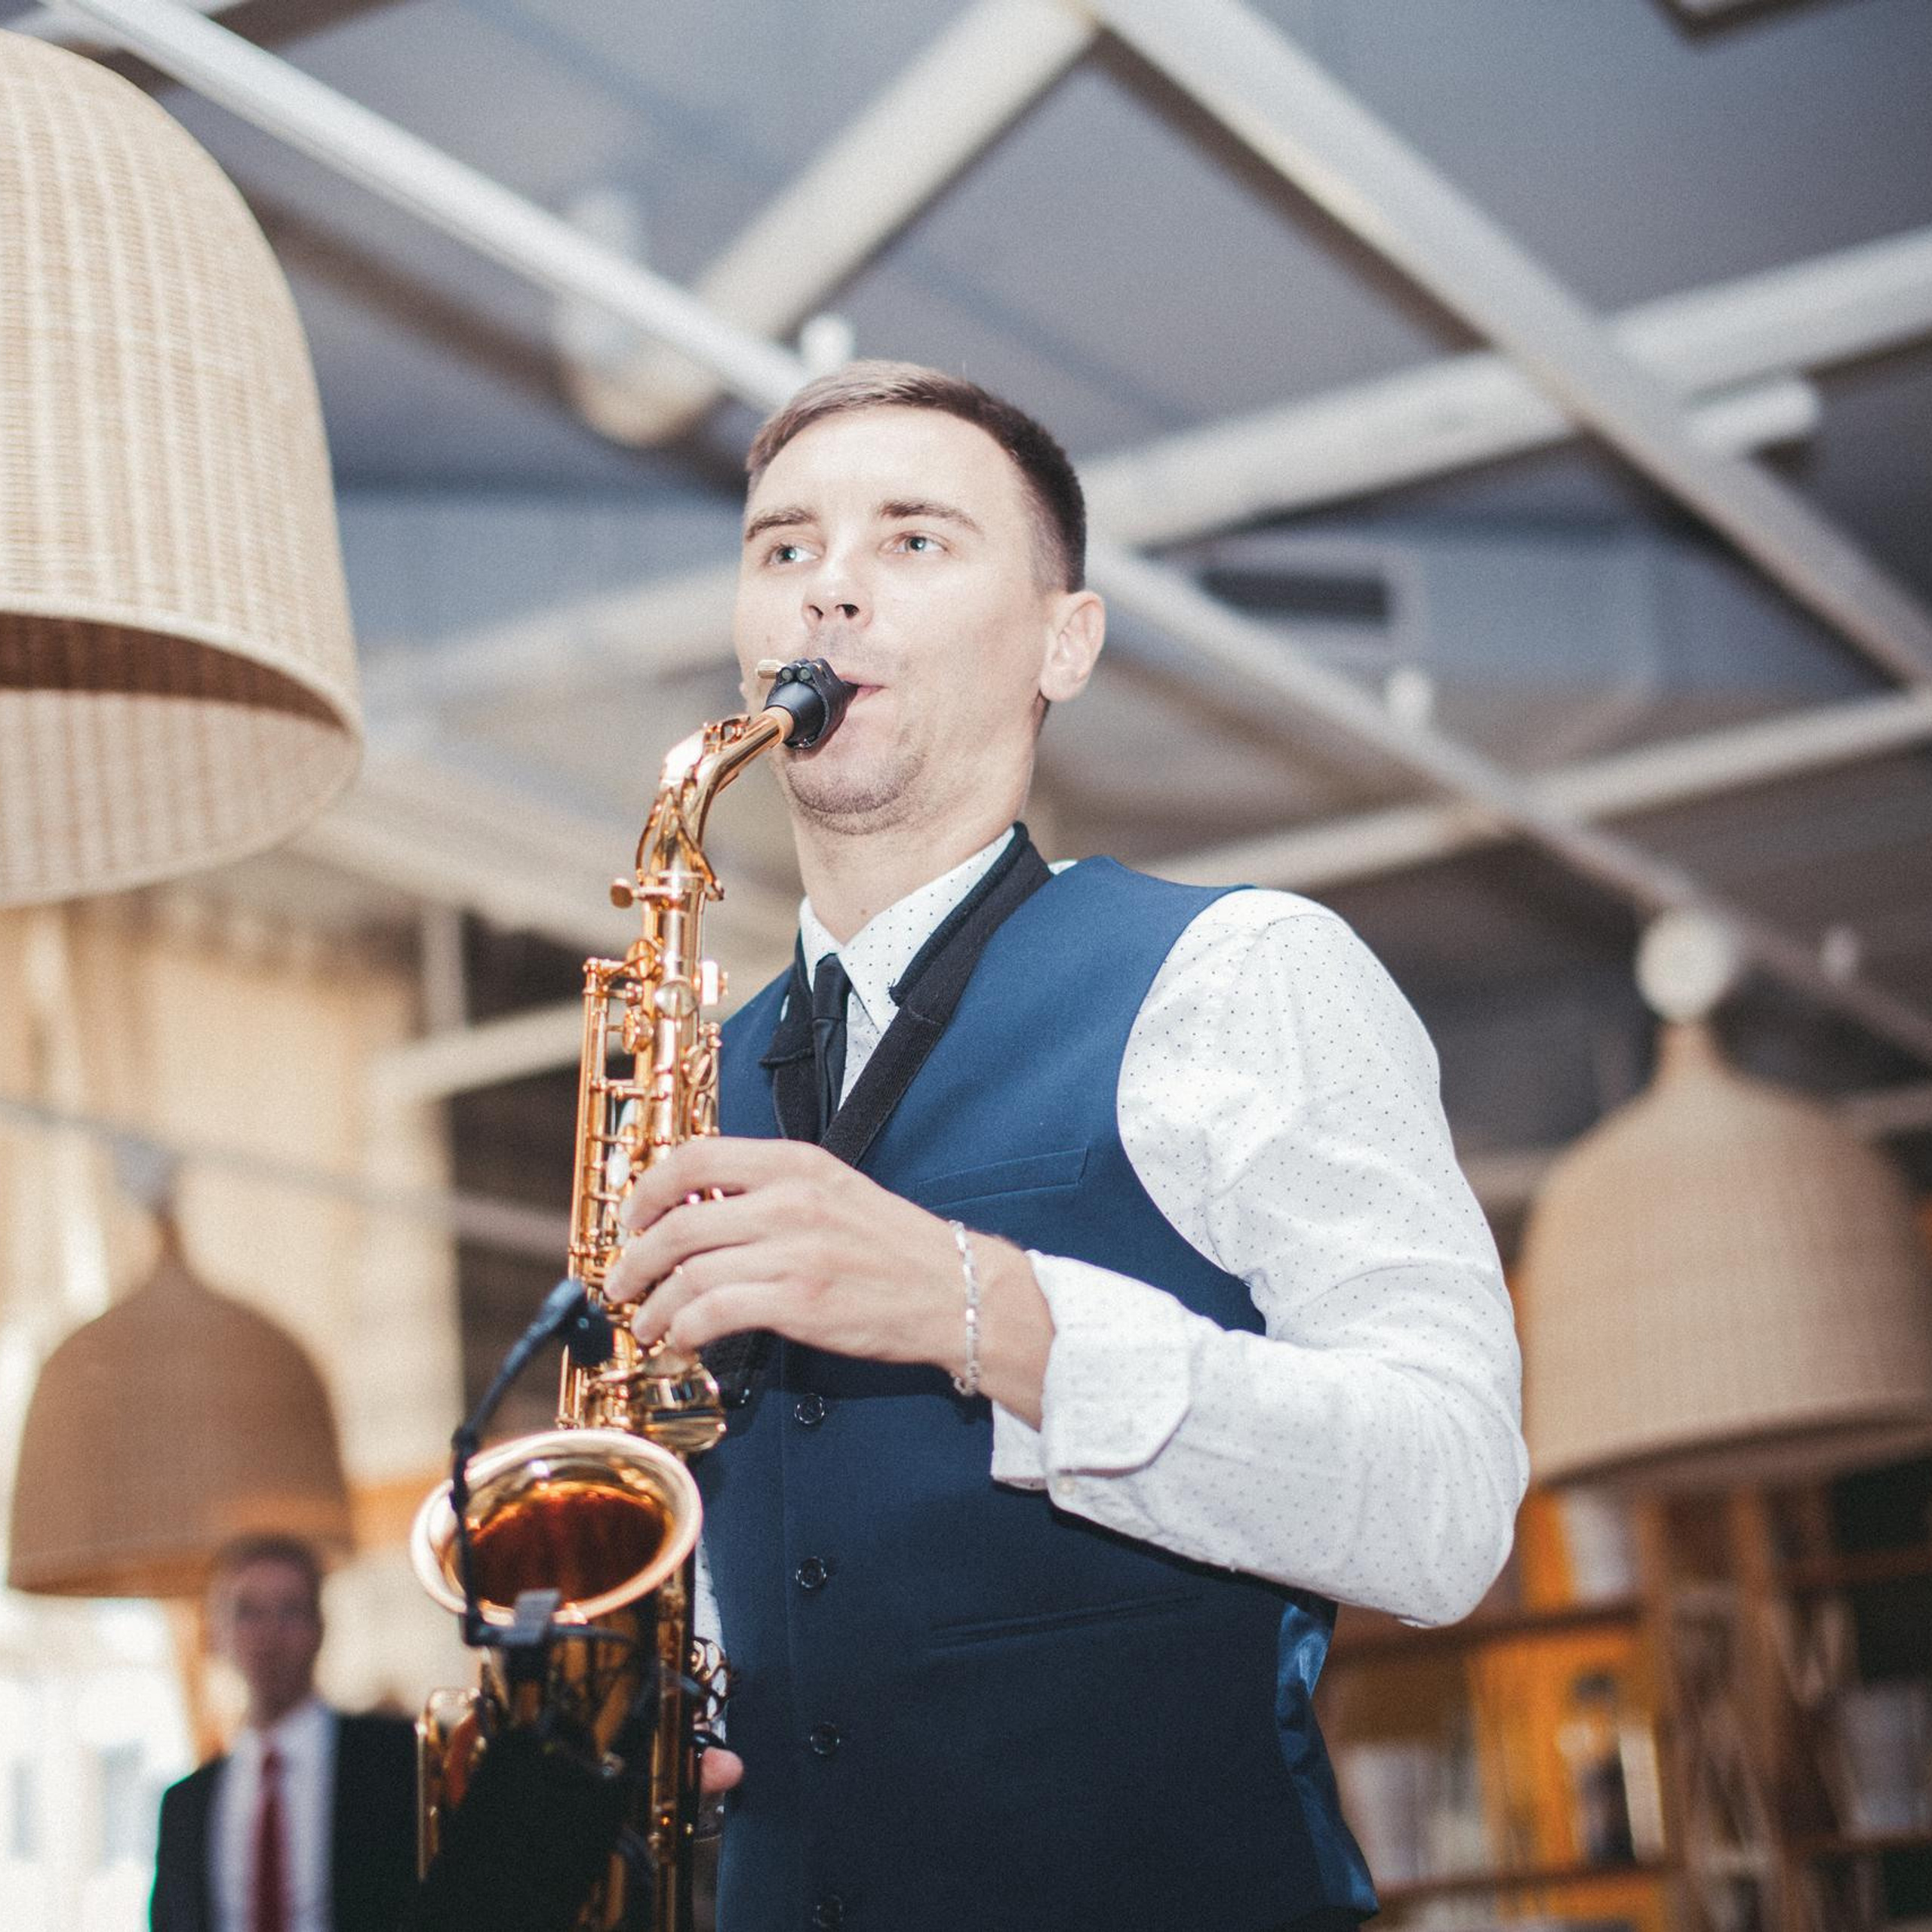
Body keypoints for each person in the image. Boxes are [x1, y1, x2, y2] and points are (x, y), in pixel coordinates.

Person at [604, 361, 1528, 1932]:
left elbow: (1445, 1509)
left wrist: (982, 1306)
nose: (827, 588)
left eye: (911, 541)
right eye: (783, 549)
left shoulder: (1244, 973)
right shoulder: (682, 1077)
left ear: (1064, 640)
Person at [151, 1536, 417, 1932]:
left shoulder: (394, 1758)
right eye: (248, 1612)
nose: (268, 1633)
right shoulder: (185, 1805)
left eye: (289, 1611)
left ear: (320, 1628)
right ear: (217, 1634)